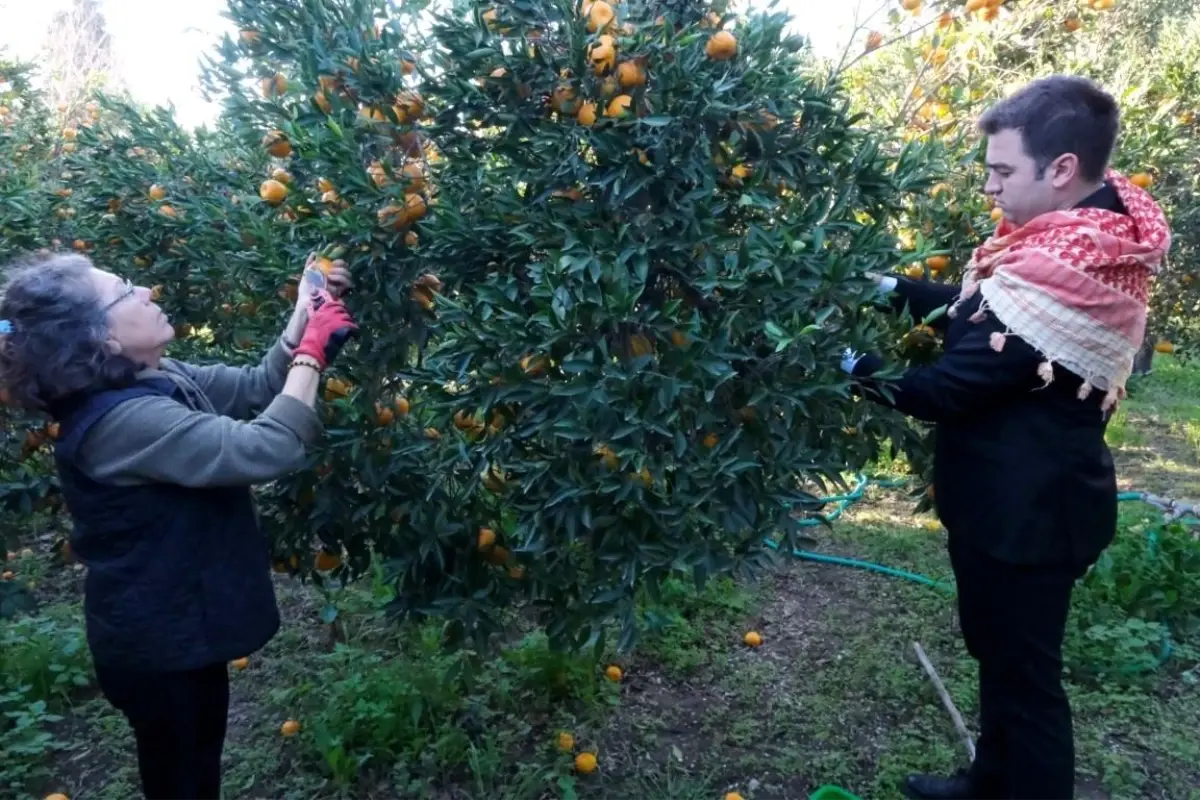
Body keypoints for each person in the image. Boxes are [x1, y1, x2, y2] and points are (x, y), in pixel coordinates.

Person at [843, 76, 1171, 800]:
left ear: (1060, 171)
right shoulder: (1069, 247)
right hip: (1012, 503)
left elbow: (943, 389)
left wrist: (845, 367)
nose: (989, 188)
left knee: (1026, 680)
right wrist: (885, 286)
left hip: (1030, 517)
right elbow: (976, 309)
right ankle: (991, 781)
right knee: (1001, 659)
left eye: (1001, 172)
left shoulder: (1065, 277)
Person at [0, 252, 357, 800]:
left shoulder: (155, 376)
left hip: (180, 625)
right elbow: (266, 448)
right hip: (160, 642)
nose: (145, 290)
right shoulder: (123, 423)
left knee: (193, 766)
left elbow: (256, 387)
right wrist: (311, 355)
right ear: (103, 340)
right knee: (184, 780)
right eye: (124, 291)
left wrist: (303, 317)